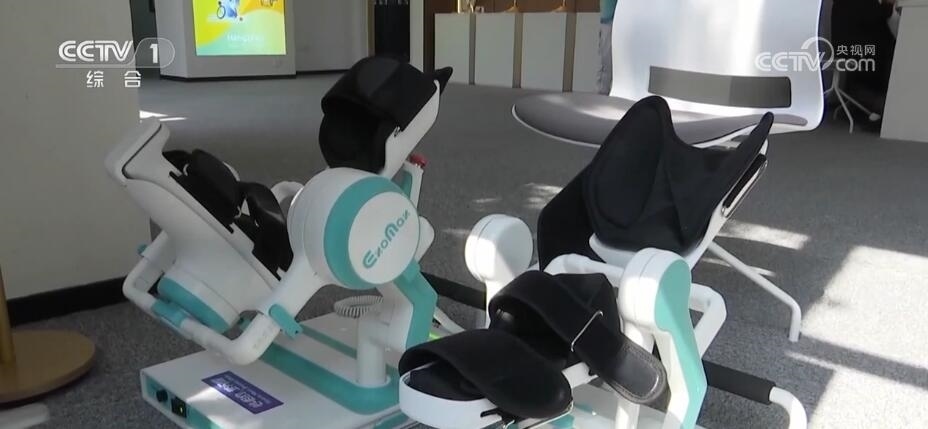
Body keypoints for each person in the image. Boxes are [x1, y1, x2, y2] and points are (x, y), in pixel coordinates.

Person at [831, 0, 898, 114]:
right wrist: (888, 5)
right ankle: (885, 104)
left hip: (850, 49)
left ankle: (873, 101)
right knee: (891, 53)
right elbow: (876, 14)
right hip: (860, 51)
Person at [598, 0, 617, 95]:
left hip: (611, 21)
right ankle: (603, 90)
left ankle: (603, 90)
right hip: (608, 22)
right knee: (606, 60)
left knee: (606, 60)